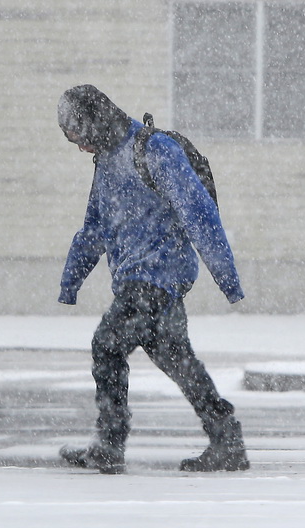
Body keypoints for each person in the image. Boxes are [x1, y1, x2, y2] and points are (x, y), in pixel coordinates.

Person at [55, 84, 248, 474]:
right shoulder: (107, 161)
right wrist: (70, 280)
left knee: (107, 346)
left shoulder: (155, 150)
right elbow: (93, 228)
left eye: (81, 138)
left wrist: (226, 278)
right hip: (137, 281)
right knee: (179, 361)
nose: (81, 149)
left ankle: (109, 445)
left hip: (157, 279)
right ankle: (226, 440)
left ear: (96, 122)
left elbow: (200, 215)